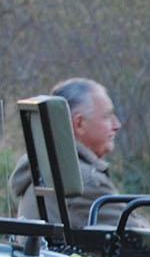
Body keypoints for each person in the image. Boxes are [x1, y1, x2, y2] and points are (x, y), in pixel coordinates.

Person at [9, 77, 121, 226]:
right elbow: (142, 237)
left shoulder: (43, 167)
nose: (116, 125)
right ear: (79, 124)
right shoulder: (83, 181)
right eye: (106, 117)